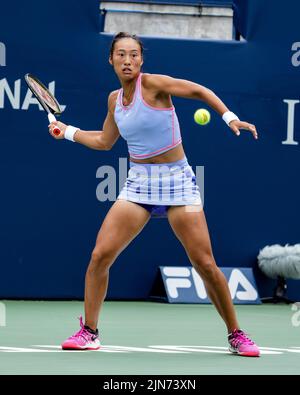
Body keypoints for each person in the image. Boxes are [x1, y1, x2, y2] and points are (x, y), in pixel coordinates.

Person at [48, 32, 260, 357]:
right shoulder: (113, 100)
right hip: (138, 184)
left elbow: (199, 91)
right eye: (121, 55)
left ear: (141, 59)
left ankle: (236, 333)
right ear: (111, 59)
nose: (128, 61)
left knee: (204, 263)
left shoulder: (155, 85)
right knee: (99, 256)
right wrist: (69, 133)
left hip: (178, 183)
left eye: (134, 55)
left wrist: (229, 117)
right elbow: (105, 141)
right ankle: (89, 331)